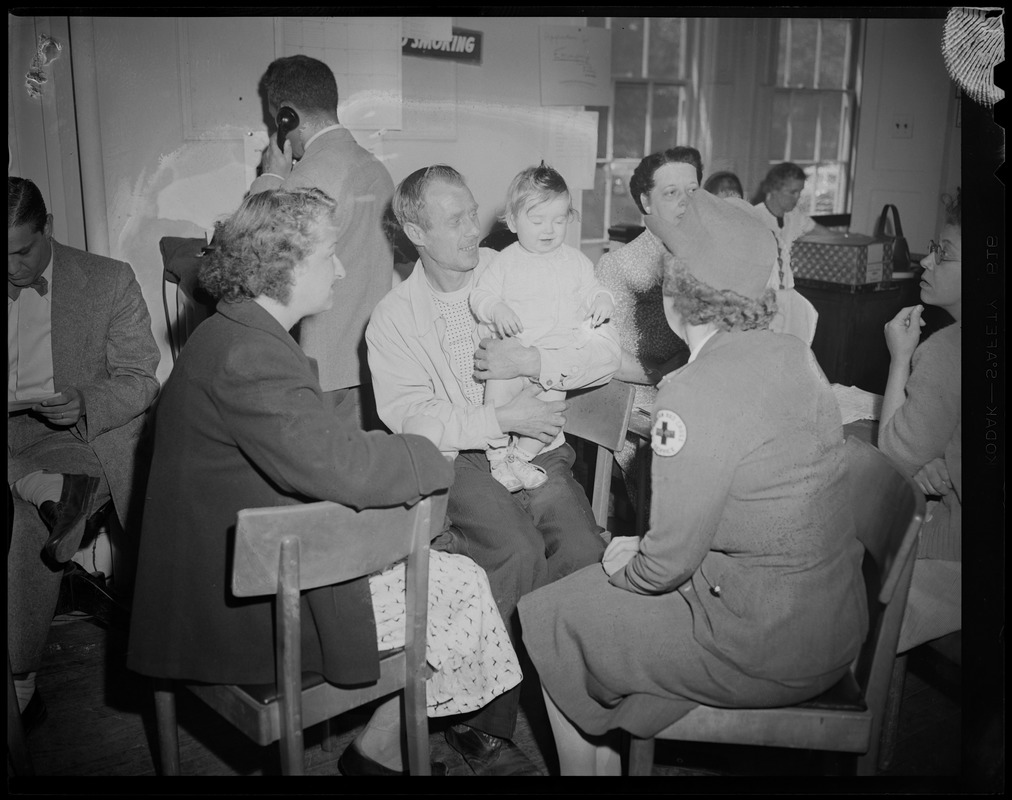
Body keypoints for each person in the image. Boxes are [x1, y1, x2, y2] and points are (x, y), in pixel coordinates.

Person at [126, 188, 524, 777]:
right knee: (462, 586)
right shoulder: (248, 354)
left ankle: (383, 749)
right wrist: (430, 446)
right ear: (283, 266)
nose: (341, 268)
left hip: (217, 578)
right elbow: (345, 469)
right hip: (241, 616)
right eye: (329, 255)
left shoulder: (232, 333)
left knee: (447, 572)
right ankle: (386, 749)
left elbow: (308, 445)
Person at [518, 188, 868, 775]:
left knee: (547, 615)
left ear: (676, 293)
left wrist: (630, 565)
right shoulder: (792, 355)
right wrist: (647, 553)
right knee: (593, 602)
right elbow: (752, 514)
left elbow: (666, 564)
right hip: (828, 621)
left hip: (763, 642)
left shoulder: (690, 391)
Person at [366, 164, 621, 775]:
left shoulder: (519, 268)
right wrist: (498, 423)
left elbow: (604, 348)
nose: (470, 231)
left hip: (540, 444)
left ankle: (576, 710)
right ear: (414, 231)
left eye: (471, 212)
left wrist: (534, 357)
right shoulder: (393, 318)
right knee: (514, 549)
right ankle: (479, 726)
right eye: (452, 220)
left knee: (583, 547)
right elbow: (410, 417)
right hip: (461, 459)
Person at [8, 176, 160, 730]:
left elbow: (142, 378)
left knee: (29, 528)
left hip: (68, 435)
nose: (12, 269)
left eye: (22, 251)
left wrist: (83, 401)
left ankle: (19, 680)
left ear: (47, 229)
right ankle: (45, 491)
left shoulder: (107, 280)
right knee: (36, 493)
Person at [248, 54, 395, 430]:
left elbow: (254, 257)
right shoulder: (376, 168)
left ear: (287, 117)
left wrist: (270, 178)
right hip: (371, 362)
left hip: (321, 370)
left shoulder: (306, 176)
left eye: (274, 120)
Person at [470, 163, 615, 493]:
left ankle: (521, 457)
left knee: (552, 412)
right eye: (537, 220)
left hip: (551, 361)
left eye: (559, 219)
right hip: (509, 358)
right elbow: (481, 295)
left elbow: (593, 288)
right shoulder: (506, 261)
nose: (549, 229)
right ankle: (497, 459)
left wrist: (603, 298)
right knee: (497, 405)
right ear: (513, 220)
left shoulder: (575, 261)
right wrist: (498, 307)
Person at [593, 146, 701, 515]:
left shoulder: (711, 258)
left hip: (704, 387)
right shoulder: (618, 265)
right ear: (646, 200)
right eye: (671, 193)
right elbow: (606, 359)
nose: (686, 202)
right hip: (642, 400)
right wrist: (665, 371)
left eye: (693, 190)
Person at [878, 189, 962, 654]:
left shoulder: (947, 351)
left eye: (943, 253)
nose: (926, 262)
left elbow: (891, 456)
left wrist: (900, 359)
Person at [750, 161, 829, 345]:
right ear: (774, 189)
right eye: (792, 192)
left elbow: (822, 232)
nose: (797, 198)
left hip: (788, 292)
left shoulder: (794, 216)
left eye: (800, 192)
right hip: (762, 295)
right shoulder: (755, 216)